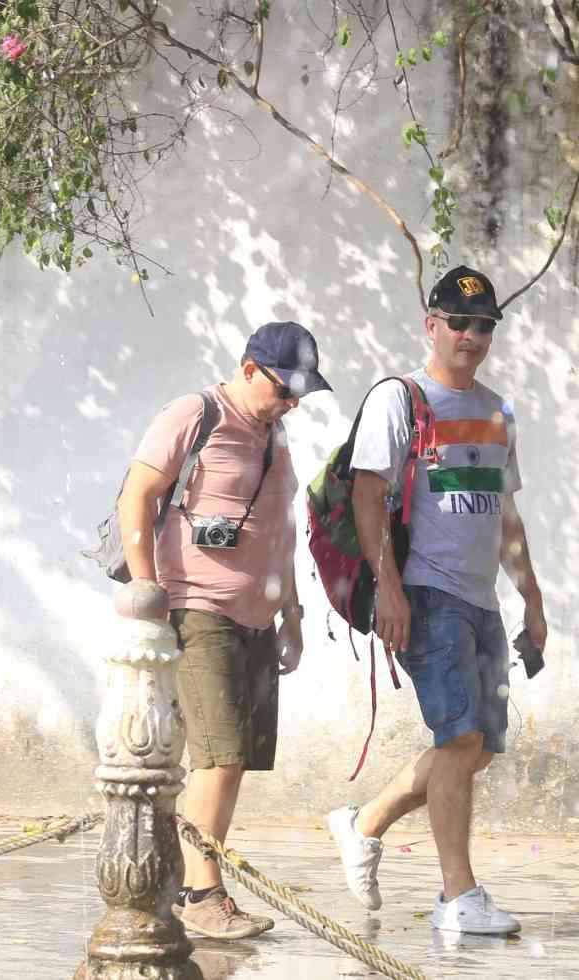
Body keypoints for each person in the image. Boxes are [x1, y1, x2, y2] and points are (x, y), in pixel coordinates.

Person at [328, 266, 547, 935]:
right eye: (459, 322)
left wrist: (532, 601)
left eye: (484, 327)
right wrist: (389, 587)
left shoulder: (495, 410)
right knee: (460, 741)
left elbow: (506, 514)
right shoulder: (403, 399)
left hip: (483, 601)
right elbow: (369, 494)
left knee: (477, 750)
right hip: (427, 591)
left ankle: (363, 823)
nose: (472, 336)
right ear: (432, 325)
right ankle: (458, 897)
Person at [118, 321, 331, 940]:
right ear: (248, 369)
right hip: (196, 607)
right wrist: (146, 588)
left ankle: (177, 876)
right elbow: (140, 493)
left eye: (300, 393)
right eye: (285, 388)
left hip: (256, 616)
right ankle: (200, 893)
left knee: (231, 760)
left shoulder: (276, 435)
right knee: (221, 754)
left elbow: (279, 528)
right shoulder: (195, 413)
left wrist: (290, 610)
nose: (291, 402)